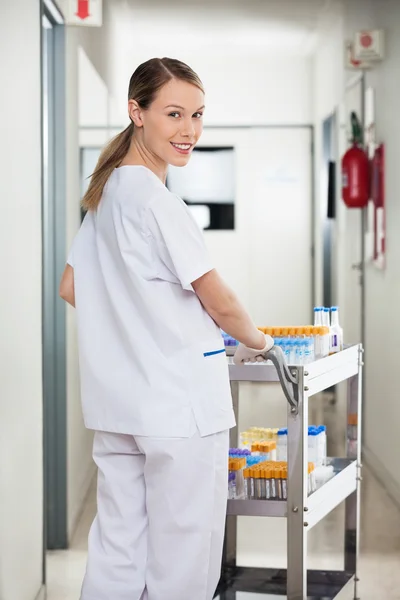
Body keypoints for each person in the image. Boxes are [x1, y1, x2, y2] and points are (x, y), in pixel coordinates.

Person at [59, 57, 274, 600]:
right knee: (184, 553)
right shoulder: (158, 202)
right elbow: (220, 302)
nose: (190, 131)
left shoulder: (104, 197)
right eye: (174, 114)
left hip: (118, 406)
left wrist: (136, 319)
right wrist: (264, 343)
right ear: (138, 113)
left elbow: (71, 286)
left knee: (117, 549)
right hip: (178, 410)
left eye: (198, 115)